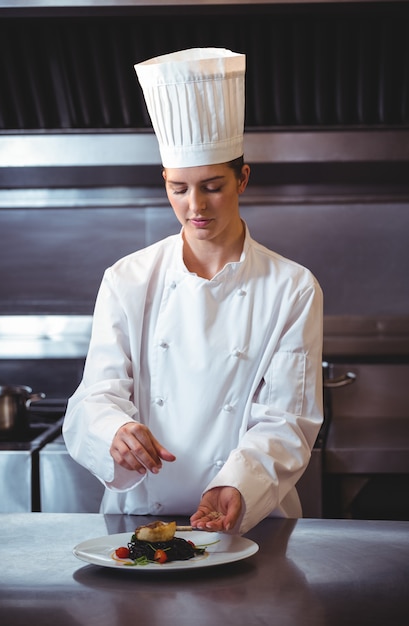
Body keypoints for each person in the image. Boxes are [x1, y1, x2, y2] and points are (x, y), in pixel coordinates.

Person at [63, 48, 323, 535]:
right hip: (138, 516)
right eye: (178, 188)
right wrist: (113, 431)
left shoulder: (292, 287)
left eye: (211, 186)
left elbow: (287, 421)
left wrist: (237, 485)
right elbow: (94, 395)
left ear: (242, 178)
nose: (194, 206)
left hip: (249, 519)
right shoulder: (128, 278)